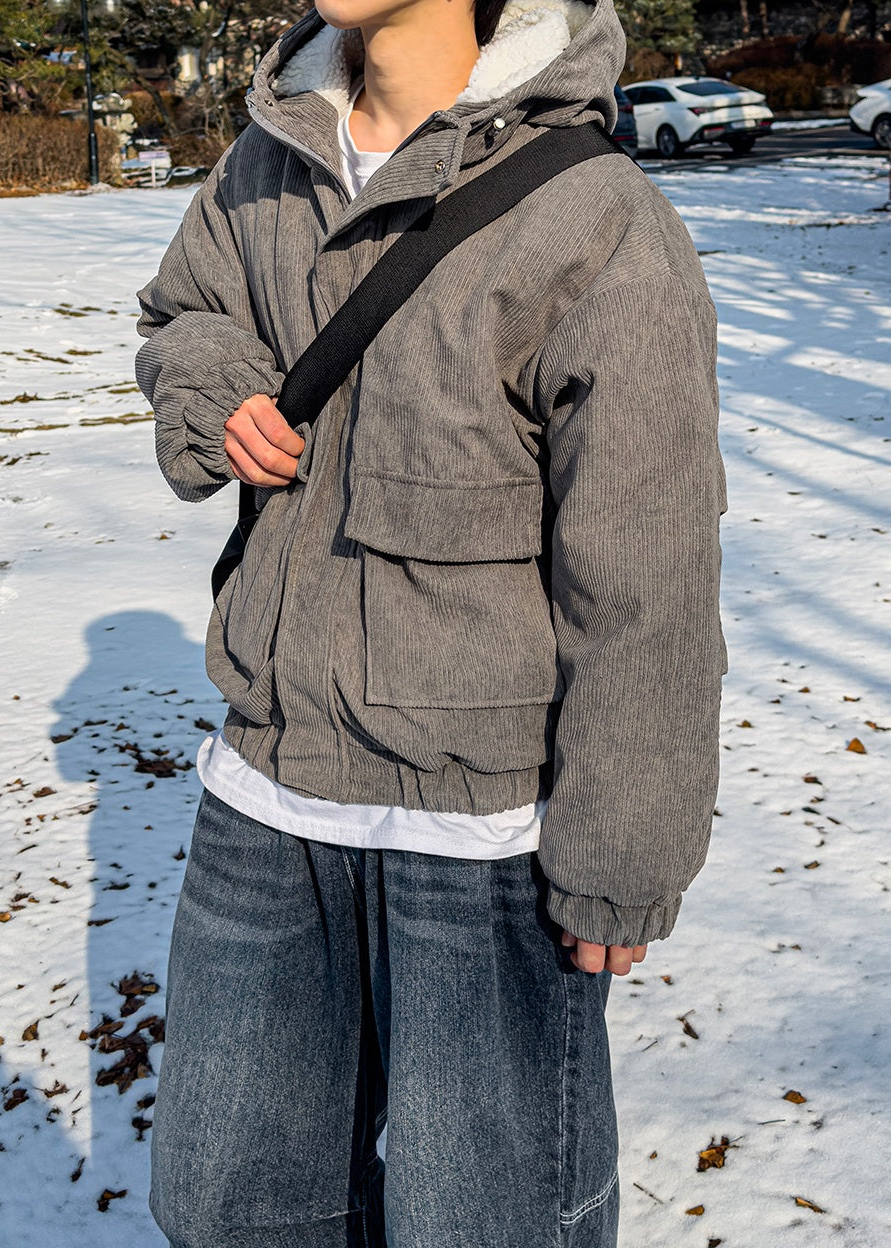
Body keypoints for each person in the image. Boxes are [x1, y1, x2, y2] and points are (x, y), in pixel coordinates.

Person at [135, 0, 726, 1243]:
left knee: (483, 1223)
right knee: (222, 1209)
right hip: (266, 795)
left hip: (483, 837)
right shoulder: (265, 156)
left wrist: (622, 858)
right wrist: (218, 390)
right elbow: (186, 313)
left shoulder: (598, 217)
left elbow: (647, 573)